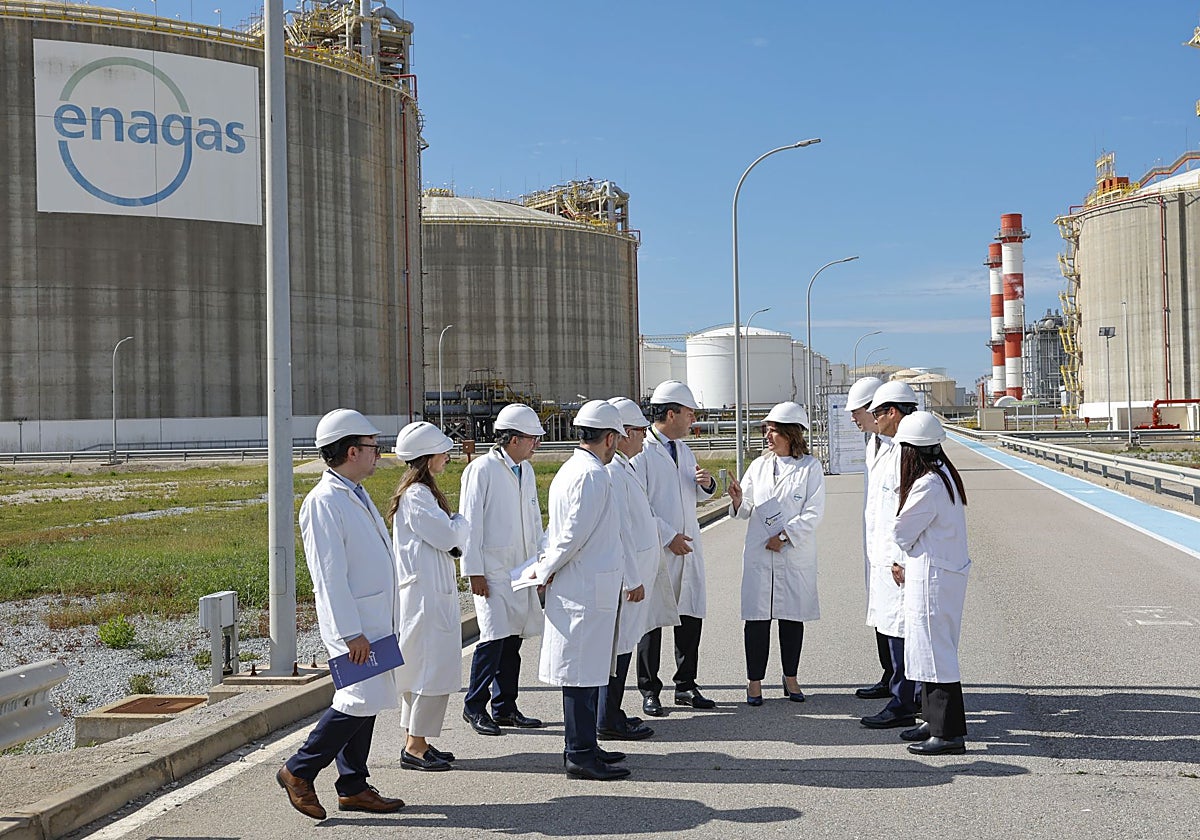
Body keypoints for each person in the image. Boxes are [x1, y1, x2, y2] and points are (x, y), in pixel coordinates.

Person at [277, 408, 405, 820]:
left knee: (367, 700)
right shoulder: (323, 502)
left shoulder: (353, 492)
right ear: (352, 451)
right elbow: (328, 577)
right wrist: (350, 633)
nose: (378, 454)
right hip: (353, 624)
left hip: (372, 618)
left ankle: (352, 785)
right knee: (358, 698)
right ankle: (299, 769)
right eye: (372, 447)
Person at [531, 400, 631, 781]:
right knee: (579, 676)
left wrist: (548, 565)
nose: (617, 446)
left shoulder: (574, 470)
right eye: (617, 440)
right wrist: (545, 569)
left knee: (588, 675)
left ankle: (587, 746)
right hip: (583, 589)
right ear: (608, 438)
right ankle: (579, 754)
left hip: (587, 586)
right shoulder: (592, 475)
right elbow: (571, 534)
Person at [727, 402, 825, 706]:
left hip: (792, 552)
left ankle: (790, 677)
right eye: (766, 430)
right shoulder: (758, 466)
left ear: (791, 433)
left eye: (773, 430)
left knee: (791, 617)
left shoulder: (811, 467)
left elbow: (813, 512)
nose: (767, 436)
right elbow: (745, 510)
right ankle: (754, 682)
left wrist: (784, 536)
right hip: (759, 552)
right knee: (757, 618)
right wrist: (738, 499)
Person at [458, 404, 547, 737]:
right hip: (492, 569)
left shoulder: (526, 470)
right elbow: (470, 522)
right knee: (493, 638)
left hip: (521, 567)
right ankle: (474, 706)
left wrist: (541, 562)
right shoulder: (482, 470)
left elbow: (535, 519)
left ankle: (506, 706)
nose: (536, 445)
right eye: (531, 439)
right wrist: (473, 571)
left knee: (513, 641)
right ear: (512, 439)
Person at [632, 380, 717, 716]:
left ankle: (685, 684)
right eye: (689, 412)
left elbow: (691, 494)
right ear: (671, 413)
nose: (693, 418)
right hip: (658, 550)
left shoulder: (683, 449)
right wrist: (668, 536)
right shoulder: (643, 453)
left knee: (689, 616)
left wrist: (707, 486)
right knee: (651, 623)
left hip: (688, 547)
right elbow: (639, 507)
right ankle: (649, 690)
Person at [388, 421, 469, 772]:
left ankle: (416, 740)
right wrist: (462, 521)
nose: (447, 456)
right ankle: (415, 747)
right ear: (426, 456)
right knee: (429, 671)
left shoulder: (420, 493)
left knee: (423, 670)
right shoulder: (418, 496)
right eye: (443, 450)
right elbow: (449, 535)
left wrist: (455, 527)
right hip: (424, 599)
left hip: (428, 594)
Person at [890, 411, 970, 755]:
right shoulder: (943, 477)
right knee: (926, 649)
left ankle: (948, 733)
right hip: (940, 574)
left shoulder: (927, 485)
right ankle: (932, 721)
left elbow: (901, 531)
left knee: (936, 653)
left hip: (933, 578)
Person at [860, 380, 922, 730]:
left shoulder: (907, 452)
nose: (874, 419)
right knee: (894, 627)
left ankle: (903, 701)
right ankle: (906, 696)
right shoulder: (889, 448)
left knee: (901, 630)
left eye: (877, 413)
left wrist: (899, 558)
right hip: (886, 556)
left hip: (899, 559)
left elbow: (907, 510)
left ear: (893, 413)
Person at [597, 397, 660, 740]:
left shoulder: (624, 466)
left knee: (623, 645)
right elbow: (620, 530)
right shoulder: (613, 473)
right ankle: (607, 718)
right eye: (639, 432)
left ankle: (613, 711)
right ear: (622, 434)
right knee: (618, 649)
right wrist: (632, 579)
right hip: (627, 578)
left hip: (636, 574)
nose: (642, 439)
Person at [845, 376, 893, 701]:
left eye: (856, 411)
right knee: (880, 612)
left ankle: (904, 687)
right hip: (876, 546)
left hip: (893, 548)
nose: (852, 418)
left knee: (896, 619)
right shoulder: (872, 444)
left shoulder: (898, 445)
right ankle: (889, 675)